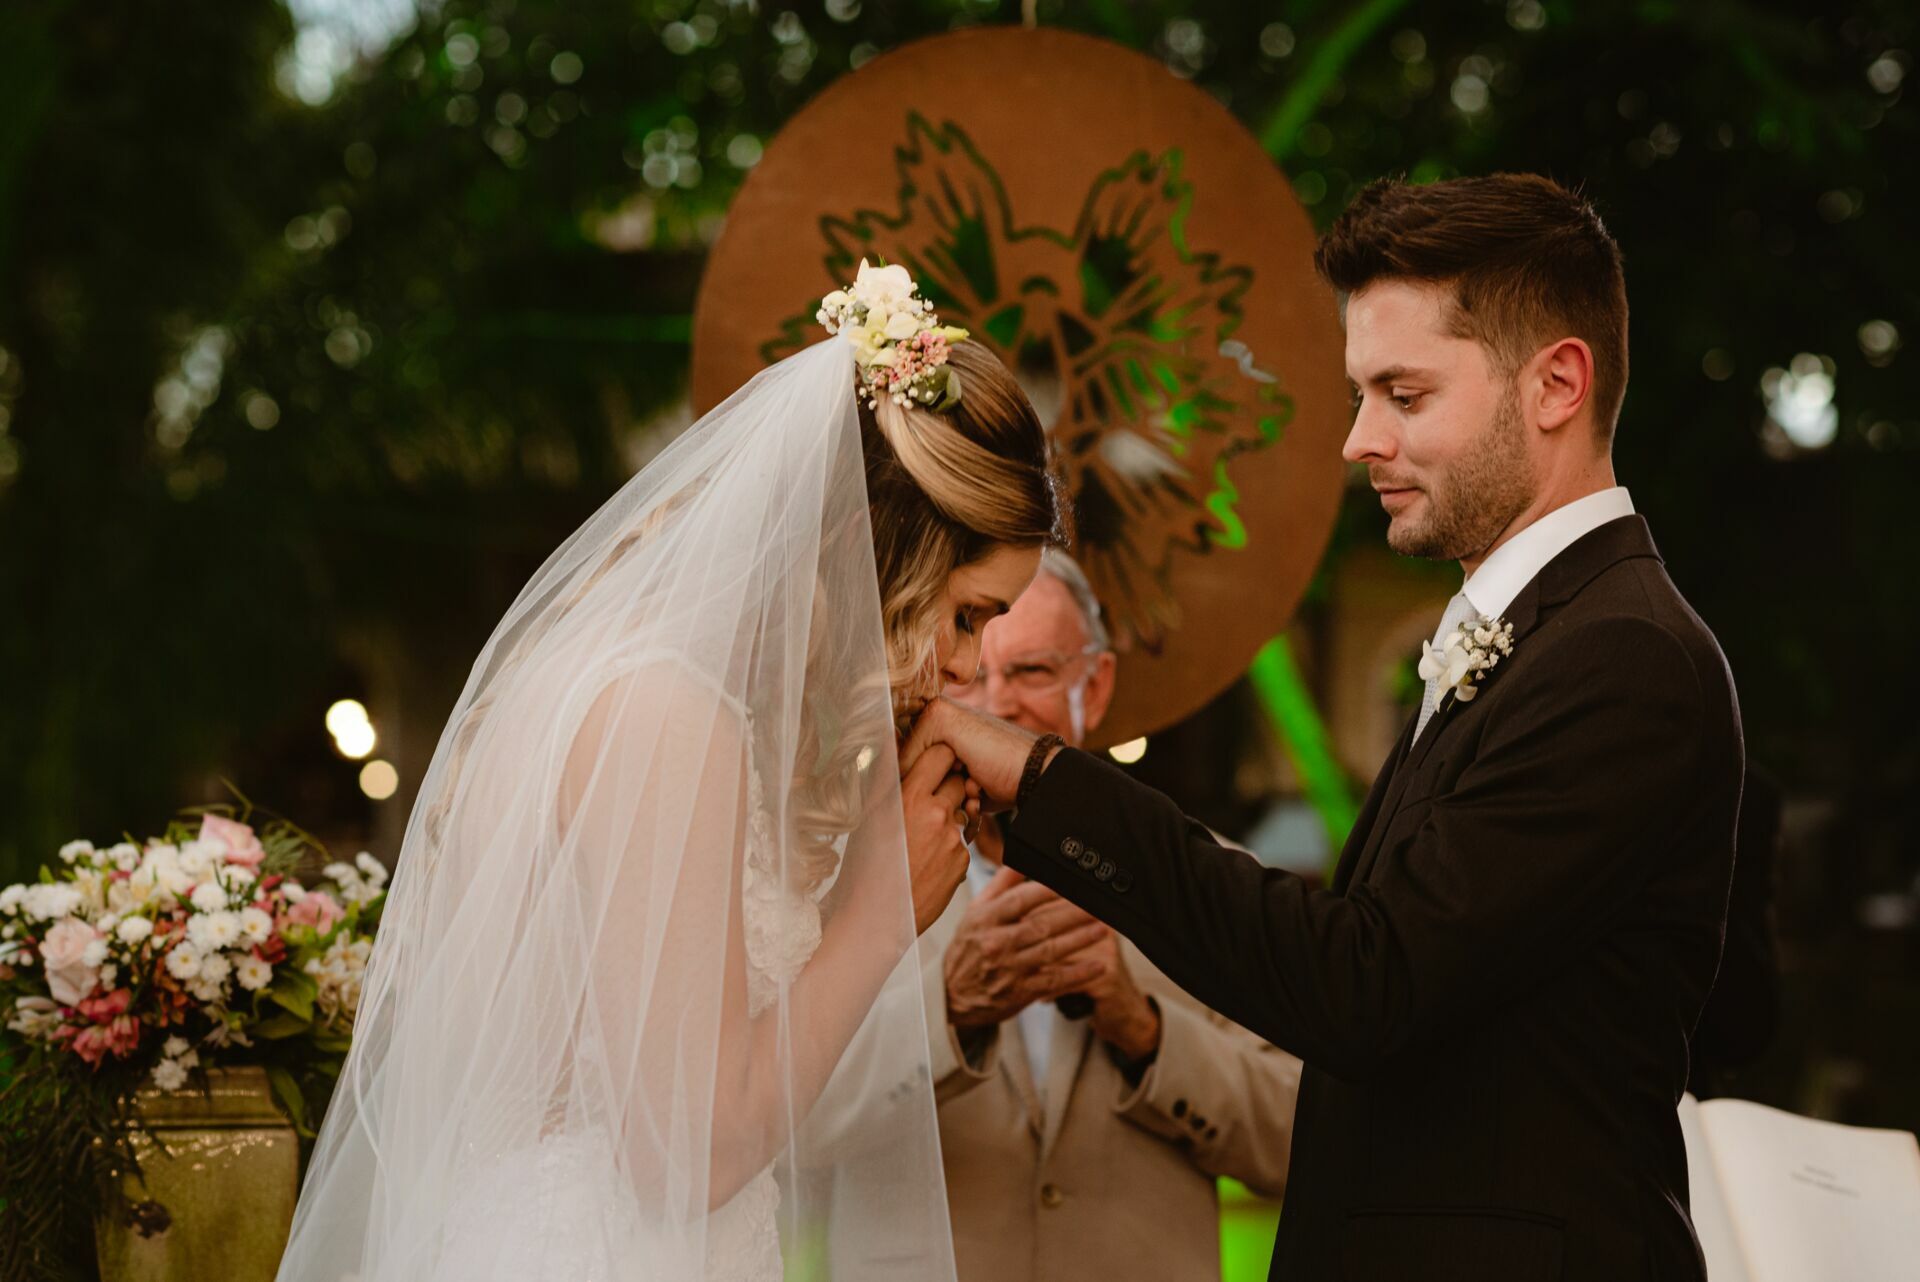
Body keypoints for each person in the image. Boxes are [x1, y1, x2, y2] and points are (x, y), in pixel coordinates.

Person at [906, 174, 1744, 1282]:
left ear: (1557, 384)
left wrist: (1047, 783)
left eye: (1403, 395)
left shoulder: (1622, 657)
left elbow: (1365, 982)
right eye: (1361, 396)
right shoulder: (1534, 635)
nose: (1358, 441)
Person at [275, 262, 1067, 1282]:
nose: (967, 666)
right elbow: (680, 1155)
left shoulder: (646, 692)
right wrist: (876, 914)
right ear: (884, 550)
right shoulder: (669, 714)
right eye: (967, 615)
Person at [926, 550, 1300, 1280]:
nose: (998, 706)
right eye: (968, 677)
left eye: (1033, 671)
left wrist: (1145, 1031)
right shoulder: (853, 885)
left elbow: (1308, 1134)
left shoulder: (1204, 879)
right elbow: (781, 1125)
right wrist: (949, 1008)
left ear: (1093, 689)